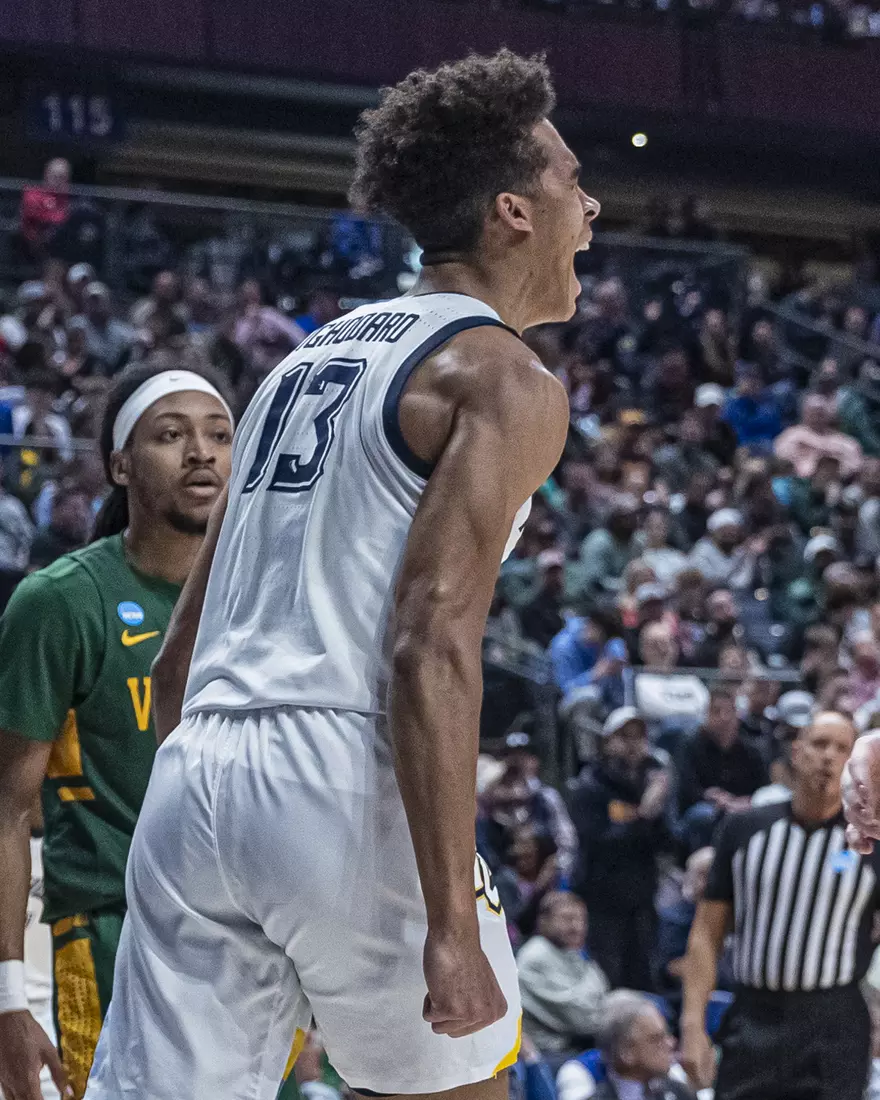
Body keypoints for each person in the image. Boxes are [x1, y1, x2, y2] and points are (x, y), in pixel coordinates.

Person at [83, 49, 600, 1100]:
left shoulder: (299, 361)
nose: (589, 208)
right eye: (571, 182)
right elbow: (431, 636)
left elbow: (187, 638)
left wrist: (196, 829)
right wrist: (449, 918)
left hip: (198, 772)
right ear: (511, 210)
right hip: (342, 773)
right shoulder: (501, 375)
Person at [0, 361, 234, 1100]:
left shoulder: (270, 595)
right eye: (171, 435)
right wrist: (8, 998)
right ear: (119, 465)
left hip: (251, 938)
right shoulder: (61, 602)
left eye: (220, 435)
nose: (201, 452)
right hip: (112, 933)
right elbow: (5, 811)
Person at [683, 713, 877, 1100]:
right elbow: (707, 932)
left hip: (835, 1021)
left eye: (842, 748)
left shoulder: (869, 842)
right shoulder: (744, 830)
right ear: (796, 751)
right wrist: (692, 1022)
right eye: (819, 743)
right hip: (755, 1015)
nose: (828, 757)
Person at [570, 707, 673, 989]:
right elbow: (601, 841)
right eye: (623, 736)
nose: (632, 744)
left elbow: (669, 844)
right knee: (609, 982)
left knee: (643, 981)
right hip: (603, 902)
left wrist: (656, 813)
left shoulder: (651, 785)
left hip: (641, 901)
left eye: (638, 737)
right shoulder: (590, 786)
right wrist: (644, 815)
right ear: (607, 742)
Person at [516, 892, 609, 1062]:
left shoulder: (573, 952)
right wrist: (599, 1003)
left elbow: (603, 992)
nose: (577, 927)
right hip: (549, 1054)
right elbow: (582, 1018)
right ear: (543, 922)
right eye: (567, 919)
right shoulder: (535, 957)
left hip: (578, 1047)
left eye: (582, 920)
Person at [676, 686, 769, 854]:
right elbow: (687, 790)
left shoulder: (752, 750)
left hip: (744, 807)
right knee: (703, 816)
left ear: (737, 715)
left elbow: (764, 789)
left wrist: (743, 802)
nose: (724, 718)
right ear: (706, 715)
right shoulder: (691, 745)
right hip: (708, 809)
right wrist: (714, 797)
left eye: (729, 711)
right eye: (716, 711)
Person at [589, 991, 697, 1100]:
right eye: (657, 1039)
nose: (671, 1043)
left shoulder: (681, 1093)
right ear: (627, 1052)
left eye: (667, 1034)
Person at [773, 392, 863, 479]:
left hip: (837, 482)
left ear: (828, 415)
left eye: (820, 414)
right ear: (804, 414)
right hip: (799, 483)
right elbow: (781, 460)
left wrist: (827, 453)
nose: (816, 417)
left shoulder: (844, 441)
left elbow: (855, 464)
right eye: (812, 413)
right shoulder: (790, 436)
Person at [20, 159, 71, 255]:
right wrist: (57, 216)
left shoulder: (68, 198)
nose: (58, 181)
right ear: (46, 174)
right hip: (30, 245)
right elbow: (38, 216)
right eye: (55, 176)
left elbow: (68, 219)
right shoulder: (32, 194)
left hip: (60, 248)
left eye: (62, 177)